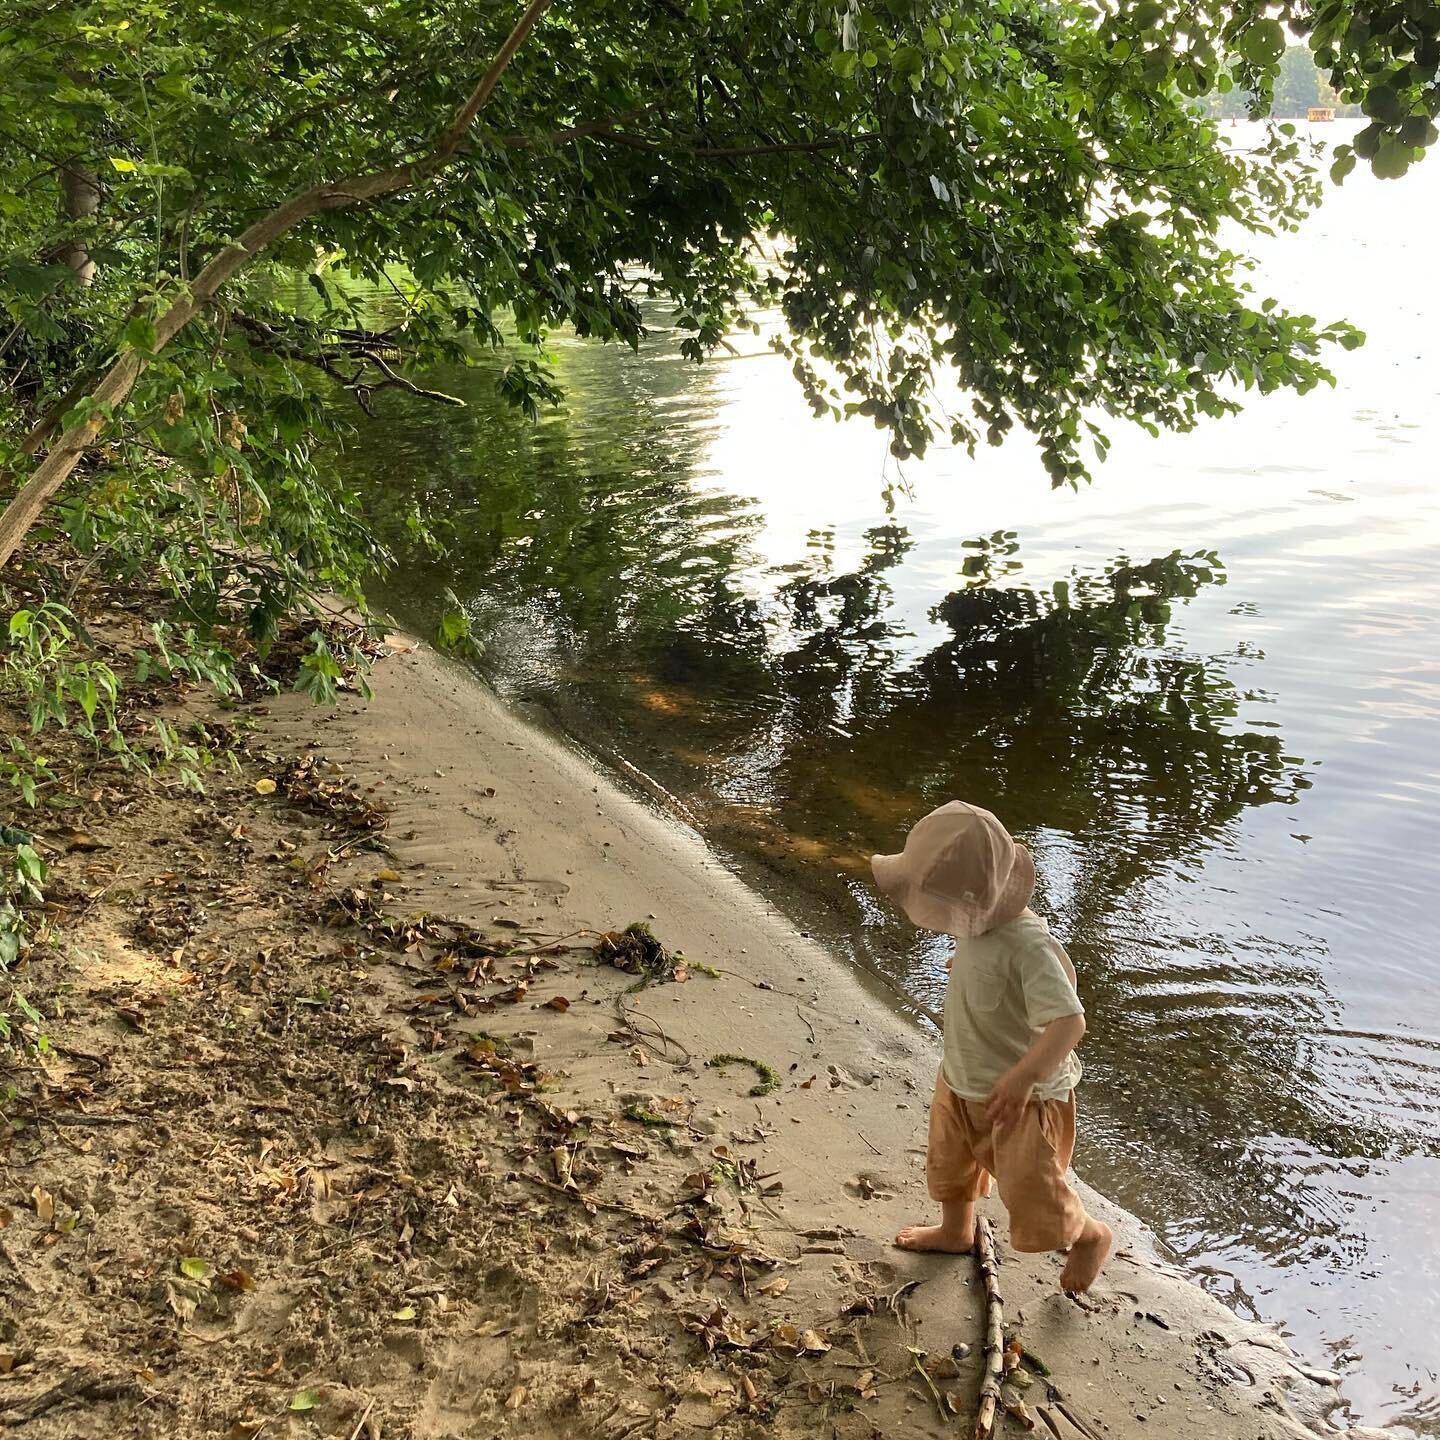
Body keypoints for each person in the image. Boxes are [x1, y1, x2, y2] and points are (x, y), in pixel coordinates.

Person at [871, 800, 1112, 1292]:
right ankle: (957, 1231)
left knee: (1035, 1196)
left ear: (967, 900)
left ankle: (1090, 1236)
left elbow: (1069, 1022)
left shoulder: (1029, 945)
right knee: (948, 1163)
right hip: (961, 1076)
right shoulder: (978, 924)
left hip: (1022, 1099)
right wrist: (966, 971)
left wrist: (1023, 1077)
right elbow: (992, 975)